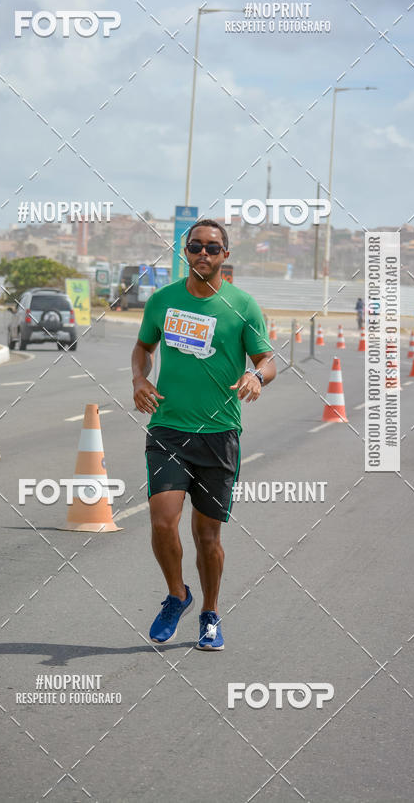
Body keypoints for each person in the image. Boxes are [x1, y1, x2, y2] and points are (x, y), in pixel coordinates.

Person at [131, 219, 276, 651]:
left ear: (225, 255)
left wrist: (255, 377)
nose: (203, 254)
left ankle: (210, 613)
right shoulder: (163, 301)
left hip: (219, 434)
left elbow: (267, 360)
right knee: (162, 521)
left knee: (207, 537)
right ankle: (177, 595)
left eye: (212, 248)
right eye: (195, 246)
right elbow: (143, 347)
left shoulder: (242, 306)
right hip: (168, 429)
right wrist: (139, 378)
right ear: (186, 251)